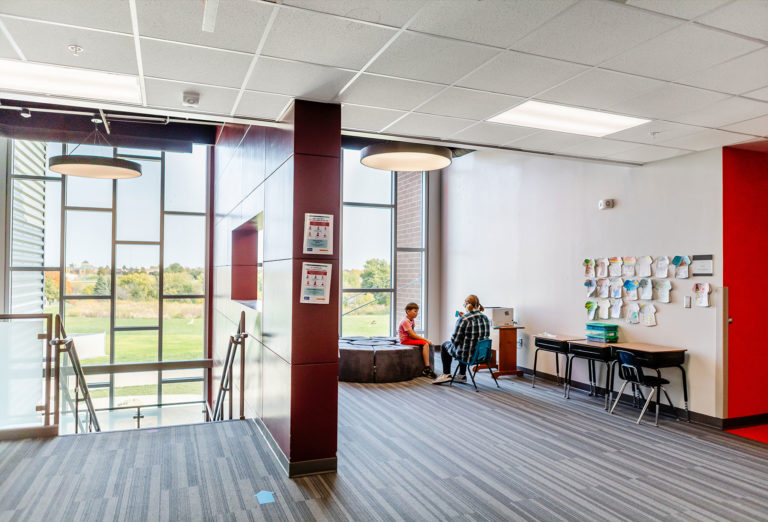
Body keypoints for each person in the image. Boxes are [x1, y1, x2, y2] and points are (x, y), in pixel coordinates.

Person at [433, 294, 490, 384]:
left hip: (467, 355)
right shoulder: (485, 318)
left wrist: (461, 320)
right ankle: (461, 375)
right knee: (465, 344)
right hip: (481, 355)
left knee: (445, 345)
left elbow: (454, 341)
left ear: (466, 304)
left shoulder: (464, 319)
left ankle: (446, 374)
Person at [398, 302, 436, 378]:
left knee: (424, 343)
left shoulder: (412, 320)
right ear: (408, 311)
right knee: (425, 343)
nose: (417, 313)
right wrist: (426, 340)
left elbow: (413, 332)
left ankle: (427, 368)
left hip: (409, 338)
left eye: (417, 311)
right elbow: (412, 334)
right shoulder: (405, 321)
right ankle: (427, 368)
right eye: (415, 311)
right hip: (405, 340)